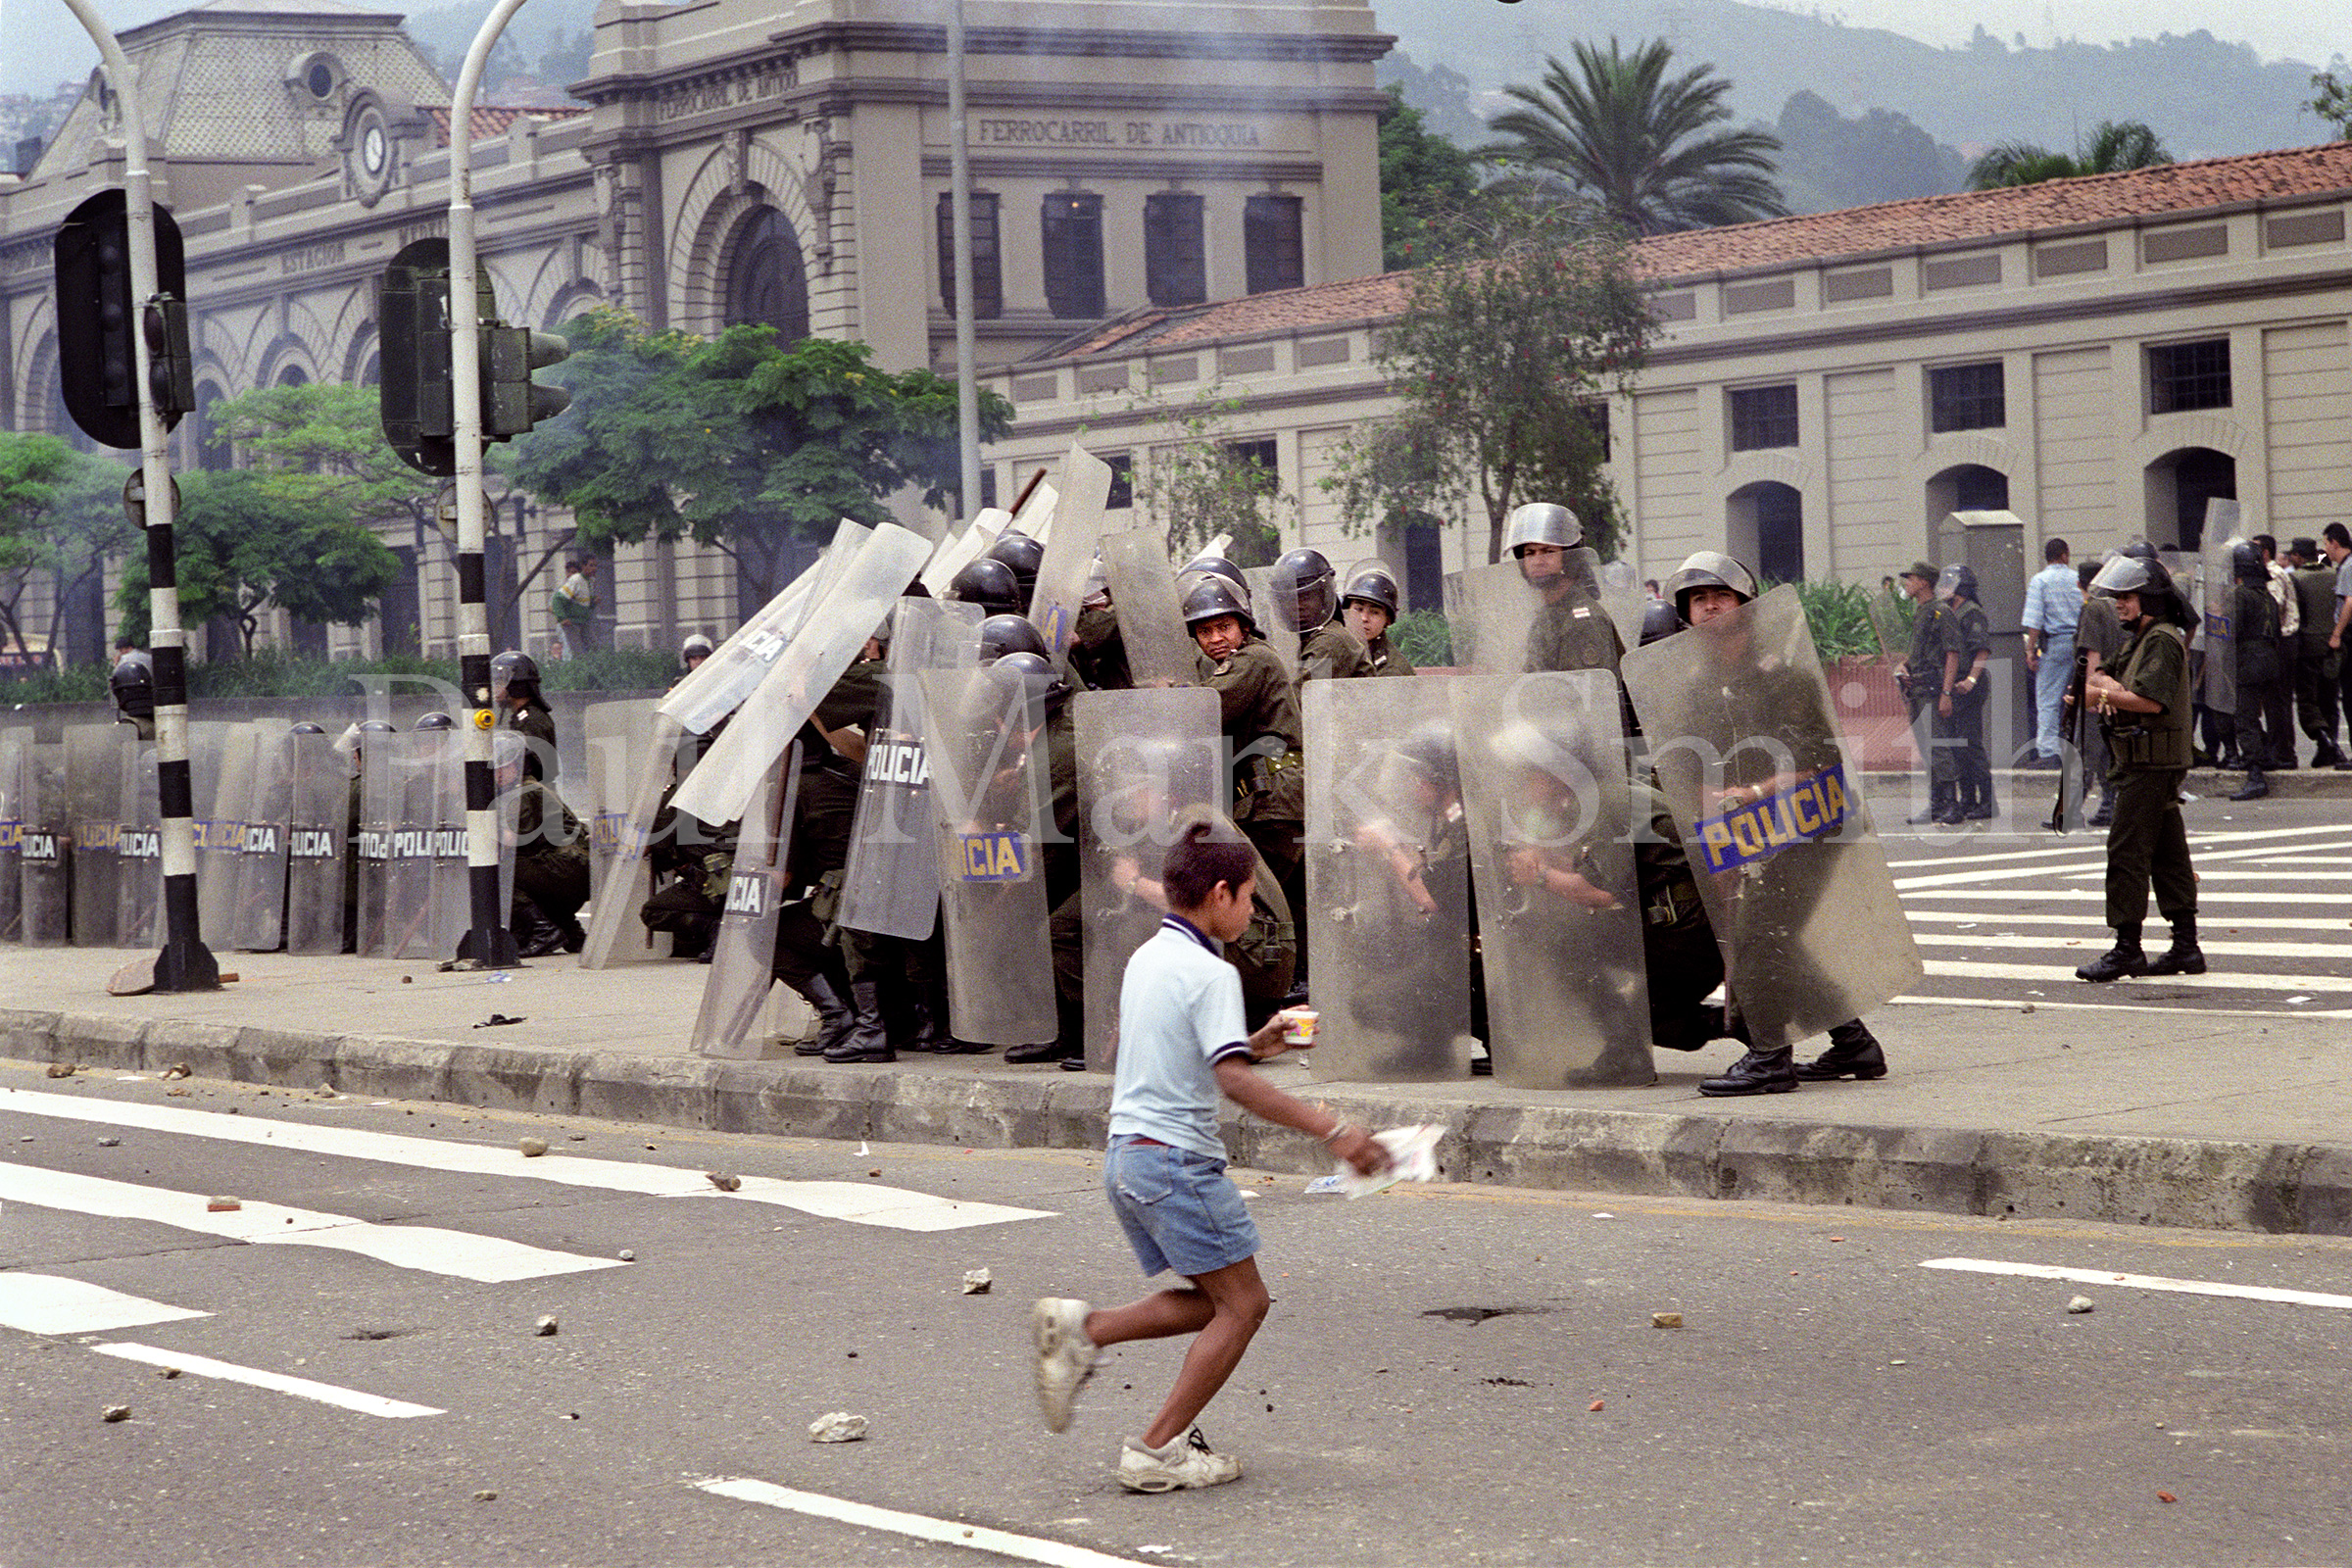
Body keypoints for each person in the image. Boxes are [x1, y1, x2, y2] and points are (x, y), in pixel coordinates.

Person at [1028, 819, 1387, 1493]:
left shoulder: (1151, 958)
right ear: (1220, 893)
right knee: (1245, 1306)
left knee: (1216, 1300)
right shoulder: (1210, 971)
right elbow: (1233, 1082)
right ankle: (1155, 1448)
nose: (1251, 913)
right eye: (1249, 898)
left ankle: (1082, 1329)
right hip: (1174, 1162)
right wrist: (1333, 1128)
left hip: (1129, 1159)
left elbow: (1195, 1056)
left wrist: (1257, 1042)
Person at [1654, 552, 1888, 1093]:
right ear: (1686, 614)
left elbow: (1814, 756)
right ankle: (1855, 1044)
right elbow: (1701, 776)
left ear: (1744, 607)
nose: (1709, 607)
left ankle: (1769, 1059)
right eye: (1697, 599)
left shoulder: (1782, 678)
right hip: (1749, 830)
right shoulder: (1698, 689)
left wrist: (1752, 793)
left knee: (1762, 933)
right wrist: (1719, 851)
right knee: (1771, 934)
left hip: (1810, 823)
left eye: (1721, 596)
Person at [2075, 554, 2201, 981]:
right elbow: (2100, 678)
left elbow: (2150, 701)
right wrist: (2102, 689)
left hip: (2151, 760)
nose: (2118, 604)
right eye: (2117, 597)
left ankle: (2128, 948)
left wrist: (2105, 696)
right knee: (2168, 854)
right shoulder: (2139, 639)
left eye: (2126, 597)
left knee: (2126, 851)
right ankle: (2186, 946)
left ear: (2148, 599)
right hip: (2145, 758)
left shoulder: (2161, 640)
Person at [1182, 575, 1307, 976]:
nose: (1215, 638)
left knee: (1257, 902)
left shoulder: (1251, 660)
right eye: (1205, 630)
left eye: (1224, 627)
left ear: (1243, 626)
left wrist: (1163, 698)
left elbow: (1205, 707)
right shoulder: (1238, 662)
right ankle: (1286, 981)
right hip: (1267, 801)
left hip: (1273, 802)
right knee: (1273, 898)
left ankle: (1271, 984)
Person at [498, 736, 590, 956]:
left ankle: (544, 930)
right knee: (529, 870)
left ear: (517, 766)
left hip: (568, 866)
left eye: (504, 766)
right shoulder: (530, 789)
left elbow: (510, 841)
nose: (497, 774)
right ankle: (571, 933)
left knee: (502, 872)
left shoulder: (523, 792)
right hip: (576, 869)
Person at [1509, 503, 1621, 676]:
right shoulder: (1548, 615)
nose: (1538, 561)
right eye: (1530, 553)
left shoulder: (1584, 620)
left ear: (1569, 558)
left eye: (1548, 551)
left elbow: (1588, 694)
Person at [1889, 563, 1957, 824]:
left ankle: (1951, 802)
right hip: (1917, 689)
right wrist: (1904, 665)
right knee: (1927, 748)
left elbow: (1952, 654)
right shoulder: (1922, 612)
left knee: (1939, 745)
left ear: (1924, 582)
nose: (1907, 583)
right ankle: (1936, 803)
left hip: (1933, 688)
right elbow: (1917, 652)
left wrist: (1946, 692)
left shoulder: (1941, 612)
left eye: (1911, 578)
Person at [2227, 541, 2282, 801]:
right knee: (2268, 712)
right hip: (2269, 659)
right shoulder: (2268, 596)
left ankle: (2255, 773)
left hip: (2249, 661)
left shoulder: (2241, 595)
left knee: (2244, 717)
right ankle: (2267, 754)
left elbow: (2233, 630)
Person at [1939, 564, 1995, 821]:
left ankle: (1986, 801)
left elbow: (1981, 649)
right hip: (1954, 685)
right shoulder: (1949, 612)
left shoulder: (1972, 612)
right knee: (1957, 745)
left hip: (1969, 685)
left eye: (1948, 583)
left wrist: (1972, 678)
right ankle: (1967, 799)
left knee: (1971, 744)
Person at [1274, 547, 1370, 691]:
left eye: (1306, 597)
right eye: (1290, 599)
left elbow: (1301, 701)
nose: (1298, 606)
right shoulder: (1309, 638)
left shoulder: (1329, 641)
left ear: (1323, 598)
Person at [2288, 538, 2345, 767]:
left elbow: (2294, 614)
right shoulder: (2334, 575)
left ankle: (2324, 741)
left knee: (2308, 700)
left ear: (2299, 557)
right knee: (2330, 699)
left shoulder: (2295, 578)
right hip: (2333, 647)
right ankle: (2330, 745)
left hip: (2307, 649)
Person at [2022, 538, 2076, 767]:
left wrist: (2030, 650)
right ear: (2064, 555)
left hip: (2055, 644)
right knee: (2082, 697)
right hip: (2082, 643)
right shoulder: (2077, 579)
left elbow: (2034, 620)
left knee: (2048, 700)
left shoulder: (2039, 581)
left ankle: (2048, 753)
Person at [2254, 535, 2300, 768]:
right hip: (2280, 641)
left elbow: (2272, 607)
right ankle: (2283, 751)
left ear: (2265, 552)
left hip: (2281, 641)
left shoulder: (2272, 574)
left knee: (2277, 701)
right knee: (2276, 701)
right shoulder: (2270, 573)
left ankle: (2282, 753)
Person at [1339, 562, 1415, 677]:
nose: (1364, 618)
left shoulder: (1392, 670)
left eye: (1375, 612)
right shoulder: (1333, 645)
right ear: (1347, 611)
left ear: (1387, 620)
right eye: (1358, 609)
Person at [492, 650, 556, 781]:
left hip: (533, 794)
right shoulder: (521, 717)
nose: (496, 689)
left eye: (500, 683)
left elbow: (539, 768)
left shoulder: (532, 720)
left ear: (516, 686)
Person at [2325, 523, 2352, 767]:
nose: (2326, 550)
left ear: (2335, 542)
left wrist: (2337, 633)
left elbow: (2349, 602)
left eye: (2326, 544)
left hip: (2350, 637)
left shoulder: (2348, 566)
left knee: (2351, 696)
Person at [553, 556, 599, 658]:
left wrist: (594, 603)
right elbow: (557, 599)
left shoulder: (590, 581)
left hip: (584, 621)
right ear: (583, 566)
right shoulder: (576, 580)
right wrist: (562, 618)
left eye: (595, 566)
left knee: (593, 648)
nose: (594, 568)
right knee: (576, 652)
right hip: (572, 623)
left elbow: (585, 604)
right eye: (591, 565)